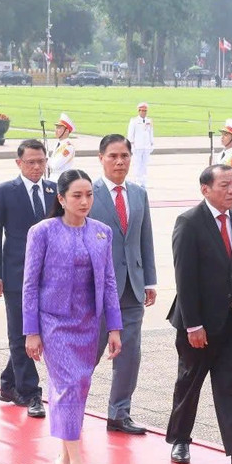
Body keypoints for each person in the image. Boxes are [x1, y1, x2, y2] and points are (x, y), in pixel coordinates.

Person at [164, 163, 232, 464]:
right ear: (205, 189)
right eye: (225, 185)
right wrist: (193, 324)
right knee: (190, 381)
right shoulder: (189, 222)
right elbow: (185, 277)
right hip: (198, 324)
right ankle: (180, 439)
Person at [23, 169, 123, 464]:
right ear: (61, 198)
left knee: (80, 388)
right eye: (76, 196)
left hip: (88, 322)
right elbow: (29, 285)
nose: (84, 202)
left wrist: (115, 328)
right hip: (54, 322)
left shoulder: (101, 233)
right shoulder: (43, 232)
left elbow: (109, 283)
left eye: (89, 195)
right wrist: (31, 331)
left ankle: (64, 459)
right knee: (69, 385)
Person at [89, 134, 157, 434]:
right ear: (101, 158)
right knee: (88, 352)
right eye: (113, 156)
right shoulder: (87, 193)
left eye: (125, 156)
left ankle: (119, 413)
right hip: (95, 289)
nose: (119, 161)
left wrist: (150, 280)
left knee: (129, 353)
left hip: (132, 286)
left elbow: (145, 239)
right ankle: (69, 405)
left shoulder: (139, 194)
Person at [0, 139, 55, 419]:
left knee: (38, 331)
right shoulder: (4, 191)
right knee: (20, 332)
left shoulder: (54, 191)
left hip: (49, 276)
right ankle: (29, 392)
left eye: (41, 161)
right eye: (31, 162)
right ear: (19, 163)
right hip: (16, 275)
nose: (37, 167)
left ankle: (9, 381)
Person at [126, 103, 154, 186]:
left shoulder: (149, 121)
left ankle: (144, 180)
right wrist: (131, 145)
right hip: (137, 146)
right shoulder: (134, 121)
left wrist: (152, 143)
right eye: (142, 111)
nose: (144, 112)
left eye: (145, 111)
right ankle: (138, 180)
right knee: (138, 164)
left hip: (146, 146)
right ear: (139, 111)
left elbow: (150, 133)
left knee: (144, 164)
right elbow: (130, 134)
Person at [48, 113, 77, 180]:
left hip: (61, 180)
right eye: (56, 128)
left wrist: (45, 158)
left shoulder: (68, 147)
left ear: (66, 131)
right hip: (53, 178)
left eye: (59, 128)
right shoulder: (58, 144)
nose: (56, 130)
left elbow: (55, 165)